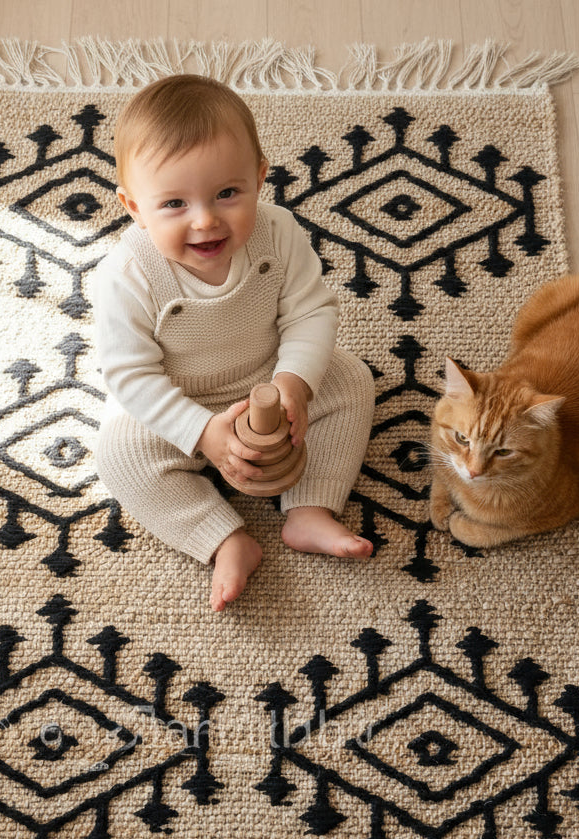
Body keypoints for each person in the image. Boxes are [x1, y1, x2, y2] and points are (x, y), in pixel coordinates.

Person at [92, 74, 375, 612]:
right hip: (175, 401)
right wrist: (201, 432)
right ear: (133, 207)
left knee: (352, 381)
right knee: (118, 455)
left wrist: (293, 383)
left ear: (260, 177)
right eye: (173, 203)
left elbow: (310, 313)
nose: (205, 220)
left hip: (267, 377)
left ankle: (310, 509)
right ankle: (224, 539)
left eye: (227, 193)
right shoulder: (127, 273)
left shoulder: (279, 232)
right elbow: (129, 376)